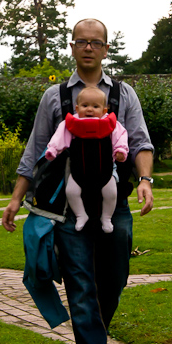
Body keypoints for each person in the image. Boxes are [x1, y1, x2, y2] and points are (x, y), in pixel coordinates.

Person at [2, 18, 154, 344]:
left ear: (105, 48)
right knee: (80, 283)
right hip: (68, 212)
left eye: (96, 42)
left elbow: (140, 142)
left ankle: (93, 336)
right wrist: (17, 197)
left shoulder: (123, 95)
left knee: (113, 280)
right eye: (81, 41)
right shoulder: (55, 97)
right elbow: (36, 150)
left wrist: (147, 181)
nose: (88, 47)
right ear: (72, 47)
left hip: (113, 205)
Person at [44, 85, 129, 233]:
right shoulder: (70, 124)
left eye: (95, 106)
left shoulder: (111, 124)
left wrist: (120, 150)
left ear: (104, 110)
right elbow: (59, 136)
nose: (89, 109)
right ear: (77, 108)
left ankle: (106, 217)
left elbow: (121, 136)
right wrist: (53, 149)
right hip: (78, 170)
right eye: (85, 105)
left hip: (106, 169)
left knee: (111, 193)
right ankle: (80, 214)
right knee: (71, 191)